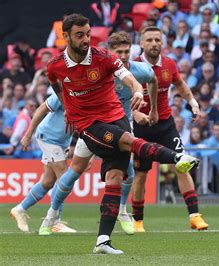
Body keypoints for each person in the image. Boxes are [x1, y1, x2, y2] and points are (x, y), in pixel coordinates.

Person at [43, 14, 199, 255]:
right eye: (79, 35)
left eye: (88, 34)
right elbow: (55, 82)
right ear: (65, 37)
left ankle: (102, 240)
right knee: (124, 144)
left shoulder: (104, 57)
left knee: (116, 177)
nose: (85, 39)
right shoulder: (55, 65)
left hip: (118, 118)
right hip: (90, 125)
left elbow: (132, 80)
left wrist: (137, 91)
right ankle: (178, 158)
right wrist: (67, 106)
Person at [132, 26, 208, 233]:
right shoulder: (133, 67)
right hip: (140, 127)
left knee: (182, 165)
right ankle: (138, 221)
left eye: (158, 39)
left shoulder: (169, 64)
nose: (154, 43)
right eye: (149, 40)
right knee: (140, 174)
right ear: (141, 43)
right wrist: (134, 115)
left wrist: (192, 102)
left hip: (165, 124)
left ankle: (194, 216)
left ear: (163, 43)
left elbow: (180, 84)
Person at [9, 94, 76, 234]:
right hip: (49, 137)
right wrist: (28, 135)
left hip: (61, 141)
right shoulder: (64, 92)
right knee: (64, 177)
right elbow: (41, 109)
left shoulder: (89, 95)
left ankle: (19, 210)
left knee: (48, 181)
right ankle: (55, 221)